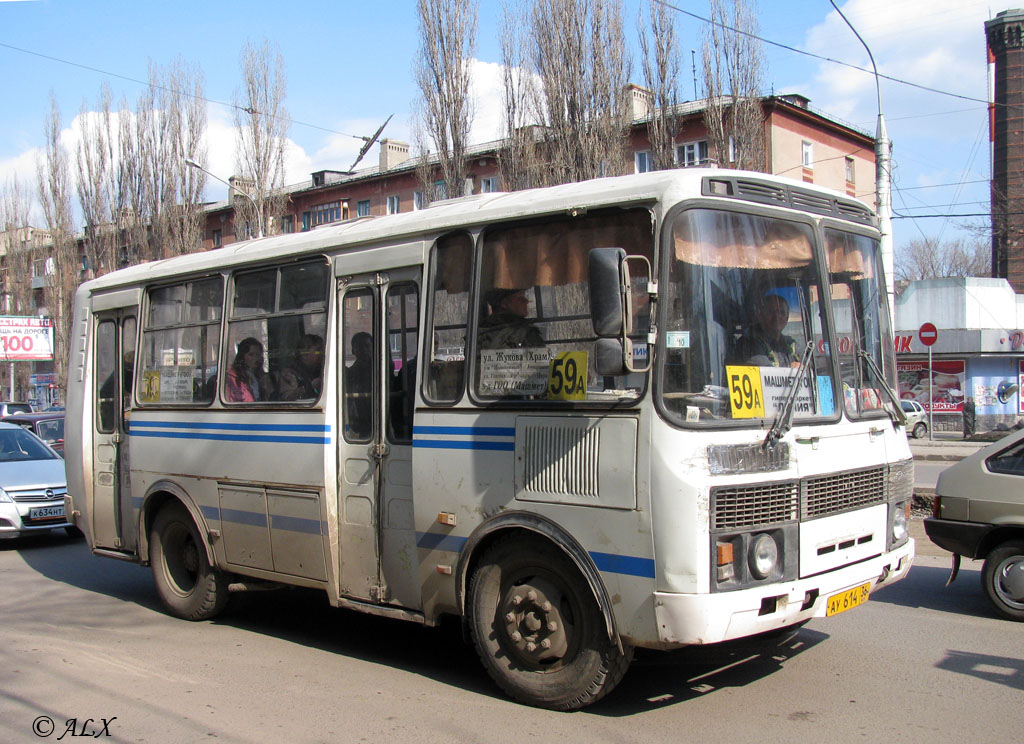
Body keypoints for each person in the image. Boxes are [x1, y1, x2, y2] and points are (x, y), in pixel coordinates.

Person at [733, 291, 799, 367]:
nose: (777, 316)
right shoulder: (749, 343)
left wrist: (803, 367)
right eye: (771, 311)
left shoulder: (790, 344)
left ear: (787, 317)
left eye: (782, 312)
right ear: (760, 315)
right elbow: (765, 372)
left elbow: (810, 363)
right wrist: (791, 369)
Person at [478, 288, 544, 349]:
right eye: (520, 298)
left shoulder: (480, 331)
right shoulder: (525, 332)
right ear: (504, 304)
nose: (526, 301)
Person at [275, 334, 325, 401]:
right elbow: (287, 398)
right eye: (318, 350)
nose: (322, 353)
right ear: (304, 355)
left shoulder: (321, 371)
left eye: (323, 350)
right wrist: (310, 387)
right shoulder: (289, 374)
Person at [344, 331, 373, 438]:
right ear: (353, 350)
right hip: (359, 420)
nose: (364, 350)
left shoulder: (381, 371)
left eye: (367, 346)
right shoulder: (349, 373)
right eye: (359, 347)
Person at [225, 337, 269, 402]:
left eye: (258, 355)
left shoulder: (260, 377)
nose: (255, 358)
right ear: (242, 356)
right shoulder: (232, 378)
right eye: (251, 355)